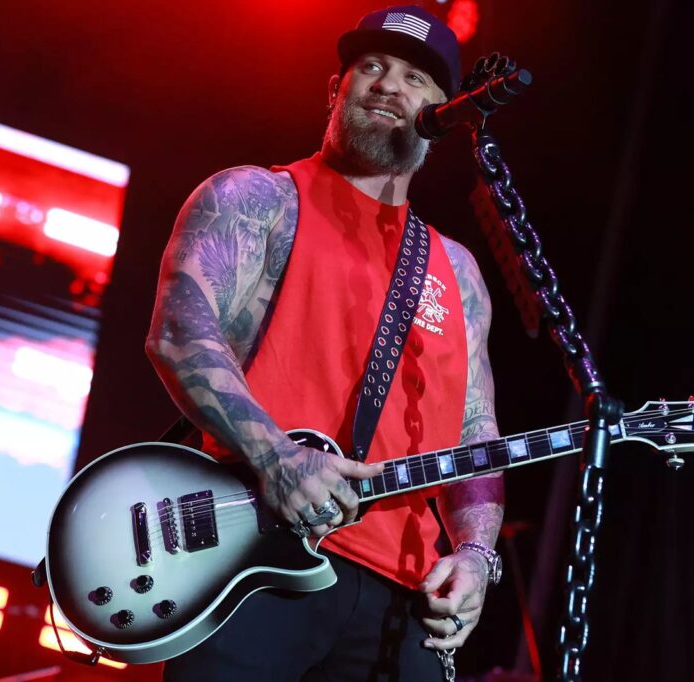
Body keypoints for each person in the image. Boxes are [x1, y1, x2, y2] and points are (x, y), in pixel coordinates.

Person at [146, 6, 504, 681]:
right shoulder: (258, 199)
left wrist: (477, 555)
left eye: (416, 78)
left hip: (403, 597)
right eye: (371, 66)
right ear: (335, 90)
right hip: (254, 562)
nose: (388, 84)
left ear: (443, 115)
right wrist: (276, 456)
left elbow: (476, 434)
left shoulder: (458, 274)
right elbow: (178, 332)